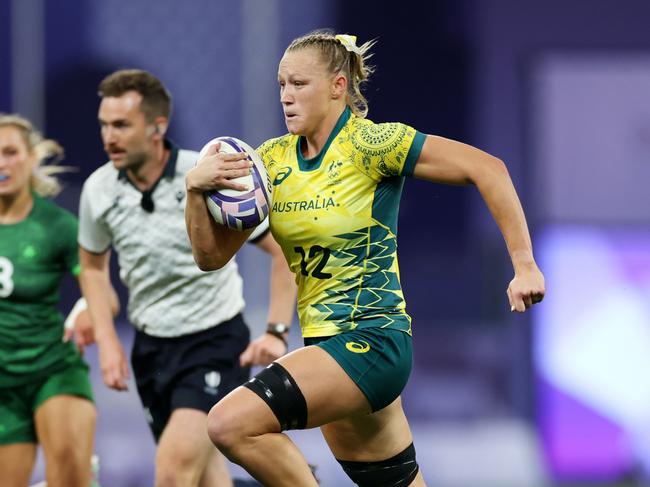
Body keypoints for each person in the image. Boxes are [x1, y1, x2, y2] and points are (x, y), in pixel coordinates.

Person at [184, 30, 546, 487]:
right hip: (325, 352)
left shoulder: (372, 145)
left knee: (228, 424)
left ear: (338, 86)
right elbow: (210, 257)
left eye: (299, 84)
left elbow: (488, 168)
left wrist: (524, 263)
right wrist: (195, 192)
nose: (286, 96)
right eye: (281, 85)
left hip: (373, 342)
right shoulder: (270, 163)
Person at [78, 69, 296, 487]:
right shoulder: (99, 190)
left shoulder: (208, 174)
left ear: (158, 126)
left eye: (122, 125)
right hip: (151, 350)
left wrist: (276, 330)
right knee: (205, 478)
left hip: (212, 342)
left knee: (174, 471)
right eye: (104, 125)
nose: (109, 137)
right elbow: (91, 266)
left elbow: (283, 251)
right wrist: (107, 343)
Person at [0, 114, 118, 487]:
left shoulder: (58, 227)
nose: (2, 163)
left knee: (67, 469)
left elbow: (105, 296)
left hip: (52, 368)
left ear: (32, 158)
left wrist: (86, 309)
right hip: (3, 384)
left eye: (10, 152)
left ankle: (81, 475)